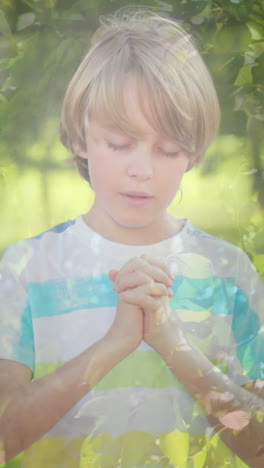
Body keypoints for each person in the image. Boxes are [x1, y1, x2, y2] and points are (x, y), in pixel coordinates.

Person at [0, 6, 263, 468]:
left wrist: (171, 343)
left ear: (194, 152)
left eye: (167, 149)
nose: (142, 169)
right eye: (119, 143)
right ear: (80, 137)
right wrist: (115, 343)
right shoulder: (27, 268)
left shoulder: (229, 271)